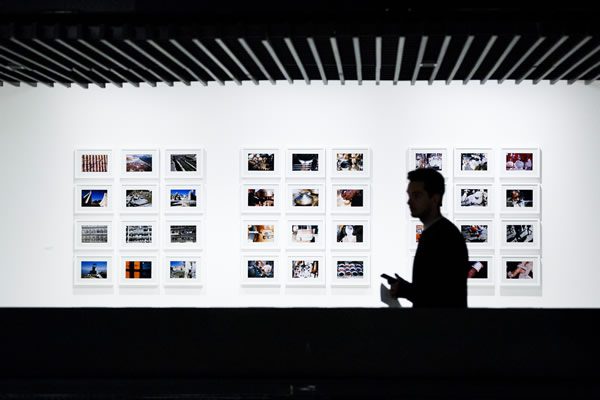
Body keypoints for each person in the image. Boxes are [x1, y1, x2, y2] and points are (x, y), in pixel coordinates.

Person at [388, 168, 469, 307]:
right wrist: (406, 288)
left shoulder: (445, 236)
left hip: (442, 326)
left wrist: (406, 289)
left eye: (417, 195)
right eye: (409, 196)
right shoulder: (437, 232)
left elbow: (443, 295)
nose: (409, 202)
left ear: (435, 198)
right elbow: (432, 287)